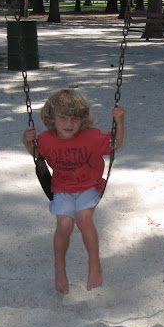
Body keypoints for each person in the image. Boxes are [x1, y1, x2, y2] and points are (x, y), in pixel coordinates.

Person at [22, 89, 125, 294]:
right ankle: (60, 269)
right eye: (63, 118)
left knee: (84, 218)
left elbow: (116, 144)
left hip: (89, 185)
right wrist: (26, 141)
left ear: (82, 120)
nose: (69, 124)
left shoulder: (92, 137)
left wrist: (119, 121)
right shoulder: (47, 139)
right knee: (64, 224)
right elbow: (37, 154)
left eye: (75, 119)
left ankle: (94, 263)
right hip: (62, 188)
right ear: (52, 119)